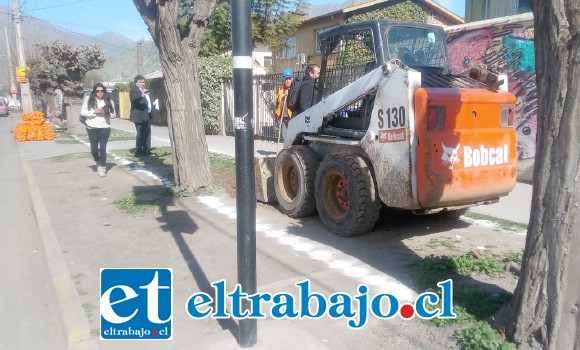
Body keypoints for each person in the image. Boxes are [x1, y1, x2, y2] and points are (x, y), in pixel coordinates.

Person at [80, 83, 115, 177]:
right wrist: (94, 111)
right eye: (97, 91)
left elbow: (114, 115)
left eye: (102, 91)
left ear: (104, 91)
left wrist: (106, 112)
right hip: (92, 127)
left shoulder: (109, 100)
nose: (100, 92)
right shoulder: (89, 100)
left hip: (105, 127)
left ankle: (102, 168)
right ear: (94, 92)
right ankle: (97, 161)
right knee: (94, 149)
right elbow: (82, 112)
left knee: (103, 148)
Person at [130, 75, 153, 156]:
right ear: (136, 83)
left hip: (147, 115)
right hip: (139, 115)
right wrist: (141, 95)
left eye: (143, 82)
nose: (143, 83)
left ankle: (147, 149)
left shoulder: (144, 90)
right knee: (140, 133)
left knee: (147, 132)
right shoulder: (134, 90)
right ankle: (138, 151)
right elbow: (134, 99)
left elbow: (147, 101)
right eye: (141, 82)